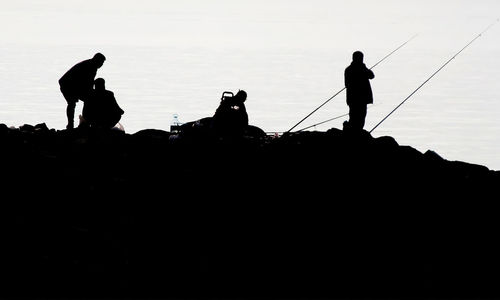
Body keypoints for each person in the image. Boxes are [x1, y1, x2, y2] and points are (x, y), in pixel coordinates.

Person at [59, 53, 106, 129]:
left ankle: (84, 122)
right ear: (96, 60)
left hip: (74, 84)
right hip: (67, 84)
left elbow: (88, 83)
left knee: (87, 100)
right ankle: (73, 124)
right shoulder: (90, 66)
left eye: (102, 63)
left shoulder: (92, 66)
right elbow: (87, 82)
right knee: (73, 102)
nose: (101, 65)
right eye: (101, 62)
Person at [344, 51, 374, 131]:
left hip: (352, 99)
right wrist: (364, 67)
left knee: (354, 116)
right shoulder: (362, 69)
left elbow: (346, 84)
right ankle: (355, 133)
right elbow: (371, 75)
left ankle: (352, 131)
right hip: (361, 99)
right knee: (360, 117)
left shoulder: (348, 69)